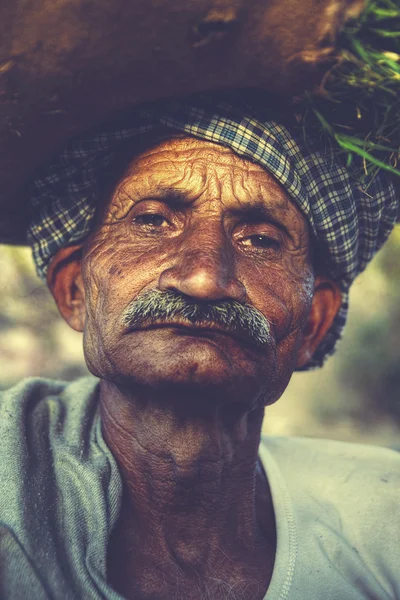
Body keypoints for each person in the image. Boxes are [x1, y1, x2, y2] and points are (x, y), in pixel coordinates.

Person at [0, 90, 399, 600]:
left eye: (260, 240)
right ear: (75, 289)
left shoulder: (384, 515)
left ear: (312, 325)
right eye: (151, 221)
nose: (206, 278)